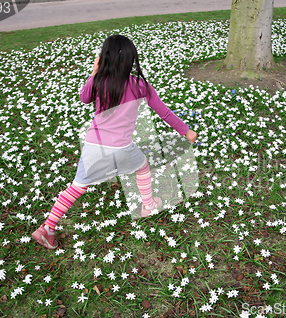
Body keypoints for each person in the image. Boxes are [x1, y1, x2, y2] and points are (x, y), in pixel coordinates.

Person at [32, 34, 197, 249]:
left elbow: (84, 97)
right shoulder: (140, 85)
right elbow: (163, 113)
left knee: (77, 186)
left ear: (104, 58)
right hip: (121, 147)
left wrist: (94, 72)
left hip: (94, 145)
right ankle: (147, 204)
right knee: (143, 166)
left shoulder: (99, 82)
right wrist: (186, 131)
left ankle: (48, 227)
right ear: (131, 59)